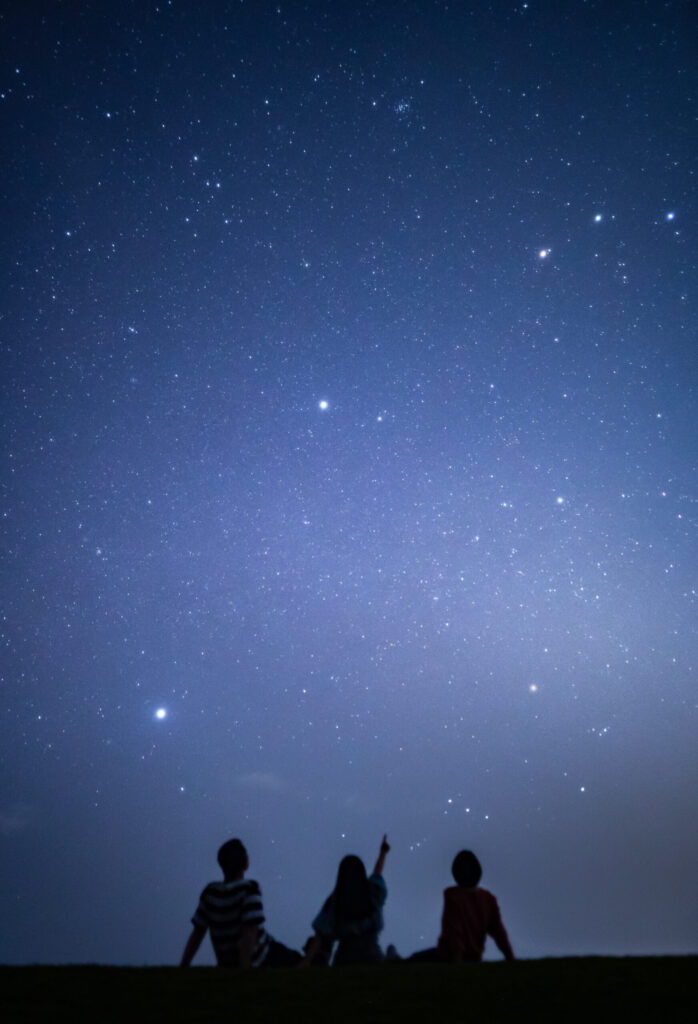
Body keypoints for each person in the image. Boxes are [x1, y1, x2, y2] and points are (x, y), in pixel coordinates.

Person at [180, 838, 302, 968]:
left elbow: (197, 933)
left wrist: (184, 964)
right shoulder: (249, 890)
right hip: (263, 957)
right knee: (301, 961)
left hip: (227, 962)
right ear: (246, 862)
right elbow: (249, 933)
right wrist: (245, 968)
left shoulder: (210, 893)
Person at [410, 849, 515, 962]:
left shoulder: (453, 896)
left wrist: (457, 961)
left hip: (446, 956)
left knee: (413, 960)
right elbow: (499, 932)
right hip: (472, 957)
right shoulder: (488, 899)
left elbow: (455, 932)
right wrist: (509, 956)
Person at [303, 835, 390, 966]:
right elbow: (377, 872)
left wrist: (305, 963)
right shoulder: (373, 892)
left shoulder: (334, 901)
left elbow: (320, 935)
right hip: (373, 956)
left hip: (344, 959)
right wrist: (383, 853)